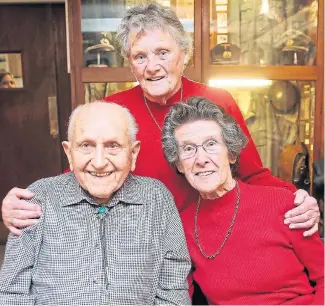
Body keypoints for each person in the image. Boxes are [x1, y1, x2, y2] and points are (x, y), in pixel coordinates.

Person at [2, 2, 319, 240]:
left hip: (214, 239)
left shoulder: (218, 100)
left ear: (185, 54)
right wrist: (24, 204)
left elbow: (254, 174)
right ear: (130, 63)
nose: (152, 66)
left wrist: (297, 198)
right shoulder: (112, 109)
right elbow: (79, 177)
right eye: (140, 56)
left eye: (163, 52)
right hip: (139, 243)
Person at [0, 102, 191, 305]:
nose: (99, 162)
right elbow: (13, 293)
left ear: (133, 153)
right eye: (86, 146)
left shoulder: (157, 198)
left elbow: (173, 290)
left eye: (113, 146)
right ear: (69, 153)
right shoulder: (39, 199)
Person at [162, 96, 324, 305]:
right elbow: (178, 294)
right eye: (188, 149)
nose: (201, 159)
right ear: (179, 164)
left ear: (231, 154)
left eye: (211, 144)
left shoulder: (283, 204)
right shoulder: (182, 226)